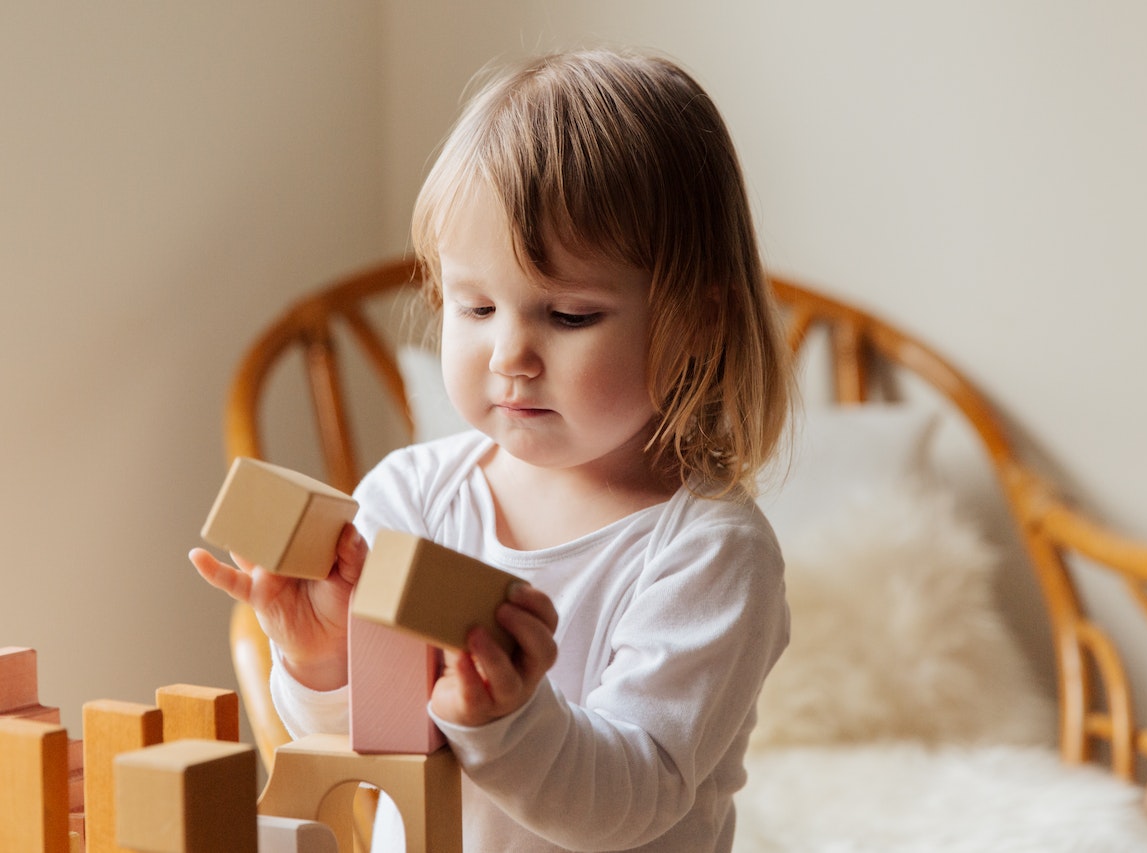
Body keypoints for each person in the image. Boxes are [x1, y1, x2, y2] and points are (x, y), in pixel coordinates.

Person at [190, 47, 793, 852]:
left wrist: (512, 721)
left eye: (570, 315)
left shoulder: (709, 553)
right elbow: (369, 749)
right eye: (474, 306)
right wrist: (320, 660)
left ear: (699, 321)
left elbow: (632, 798)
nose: (510, 353)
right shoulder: (408, 498)